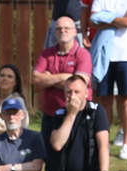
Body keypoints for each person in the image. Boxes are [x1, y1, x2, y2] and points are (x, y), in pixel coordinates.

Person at [91, 0, 127, 160]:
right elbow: (93, 20)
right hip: (103, 55)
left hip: (126, 56)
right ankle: (103, 144)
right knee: (104, 100)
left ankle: (126, 144)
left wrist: (105, 18)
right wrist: (117, 18)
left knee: (125, 99)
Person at [33, 16, 92, 148]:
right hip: (51, 114)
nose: (62, 31)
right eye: (59, 29)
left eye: (67, 28)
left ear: (75, 32)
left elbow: (80, 84)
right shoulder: (46, 54)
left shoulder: (83, 55)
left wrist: (49, 78)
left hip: (77, 113)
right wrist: (65, 77)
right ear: (54, 33)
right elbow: (36, 79)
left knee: (77, 154)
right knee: (49, 156)